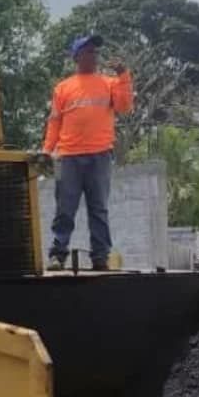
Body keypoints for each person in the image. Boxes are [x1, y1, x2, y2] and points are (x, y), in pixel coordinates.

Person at [43, 34, 134, 271]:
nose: (94, 55)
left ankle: (100, 257)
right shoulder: (63, 88)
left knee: (99, 209)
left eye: (96, 51)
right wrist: (46, 151)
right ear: (77, 56)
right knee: (65, 208)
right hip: (68, 157)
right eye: (89, 51)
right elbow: (54, 122)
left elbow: (124, 108)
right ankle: (57, 255)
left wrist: (123, 76)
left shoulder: (110, 83)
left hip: (99, 156)